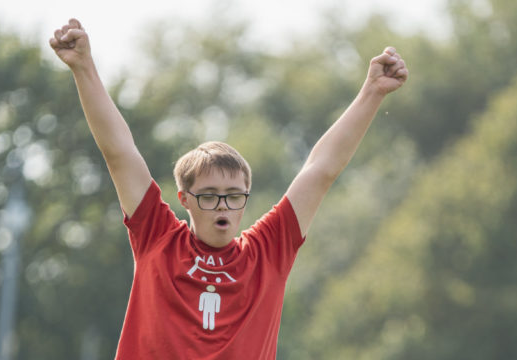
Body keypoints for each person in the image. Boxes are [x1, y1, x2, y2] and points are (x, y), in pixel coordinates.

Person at [50, 18, 408, 359]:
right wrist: (84, 68)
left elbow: (320, 171)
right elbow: (119, 153)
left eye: (234, 196)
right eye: (209, 196)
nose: (223, 205)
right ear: (185, 199)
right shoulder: (157, 238)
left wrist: (372, 92)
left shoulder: (268, 251)